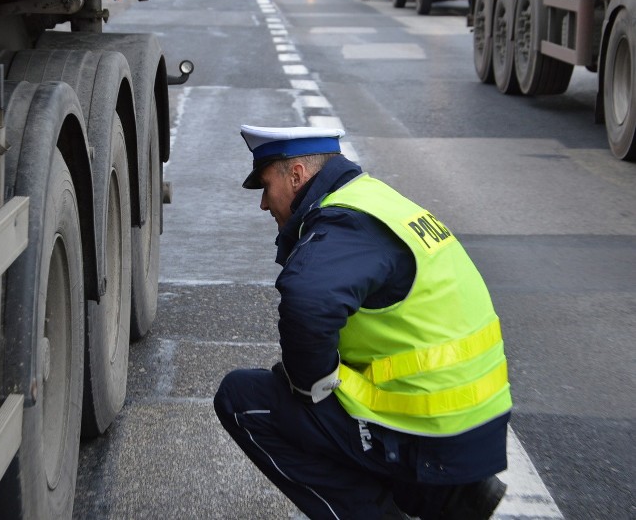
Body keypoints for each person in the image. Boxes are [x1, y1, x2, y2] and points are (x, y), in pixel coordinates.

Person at [213, 125, 512, 520]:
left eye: (266, 187)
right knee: (313, 385)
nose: (264, 205)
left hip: (434, 433)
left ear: (297, 175)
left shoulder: (345, 222)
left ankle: (409, 499)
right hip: (471, 426)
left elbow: (308, 302)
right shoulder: (378, 201)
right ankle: (445, 496)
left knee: (244, 399)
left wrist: (309, 385)